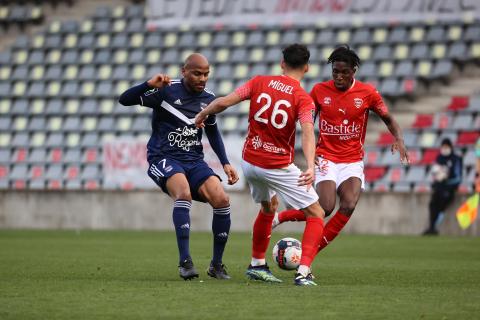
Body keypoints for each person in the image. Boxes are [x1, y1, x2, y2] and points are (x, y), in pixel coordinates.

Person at [196, 44, 326, 286]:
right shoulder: (303, 98)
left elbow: (224, 102)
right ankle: (303, 272)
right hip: (276, 166)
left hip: (250, 162)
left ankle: (257, 265)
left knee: (269, 207)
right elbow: (308, 131)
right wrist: (310, 165)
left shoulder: (259, 82)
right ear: (307, 68)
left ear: (282, 63)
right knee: (317, 213)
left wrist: (201, 115)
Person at [272, 45, 409, 252]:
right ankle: (282, 216)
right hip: (326, 157)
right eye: (335, 71)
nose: (339, 76)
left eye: (344, 72)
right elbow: (307, 122)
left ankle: (309, 253)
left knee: (349, 205)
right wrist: (311, 150)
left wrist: (399, 138)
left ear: (354, 71)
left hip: (352, 160)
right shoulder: (319, 90)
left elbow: (388, 118)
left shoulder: (367, 93)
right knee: (325, 208)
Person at [118, 53, 239, 280]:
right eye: (197, 73)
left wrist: (225, 162)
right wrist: (147, 85)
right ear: (184, 71)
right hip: (163, 157)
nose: (202, 78)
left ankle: (216, 265)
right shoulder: (166, 90)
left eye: (206, 74)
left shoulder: (209, 98)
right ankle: (185, 262)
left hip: (194, 161)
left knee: (222, 199)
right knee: (183, 193)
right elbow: (124, 100)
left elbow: (212, 131)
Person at [423, 138, 463, 235]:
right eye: (443, 147)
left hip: (449, 188)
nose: (444, 149)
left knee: (441, 206)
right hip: (439, 187)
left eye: (446, 147)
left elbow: (458, 177)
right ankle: (431, 227)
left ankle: (433, 228)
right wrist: (437, 179)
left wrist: (447, 178)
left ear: (450, 147)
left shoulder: (456, 159)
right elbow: (435, 172)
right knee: (432, 205)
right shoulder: (439, 157)